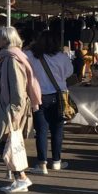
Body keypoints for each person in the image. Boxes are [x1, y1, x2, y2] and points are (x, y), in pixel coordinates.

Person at [0, 26, 41, 193]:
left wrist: (13, 112)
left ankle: (21, 177)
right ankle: (20, 177)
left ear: (5, 40)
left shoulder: (11, 59)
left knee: (0, 141)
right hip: (12, 106)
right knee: (8, 142)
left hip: (11, 108)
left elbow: (17, 90)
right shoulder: (16, 56)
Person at [26, 31, 75, 174]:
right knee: (57, 129)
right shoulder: (62, 57)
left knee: (41, 131)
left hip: (38, 96)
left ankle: (42, 164)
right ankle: (56, 161)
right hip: (59, 96)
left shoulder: (31, 56)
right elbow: (69, 73)